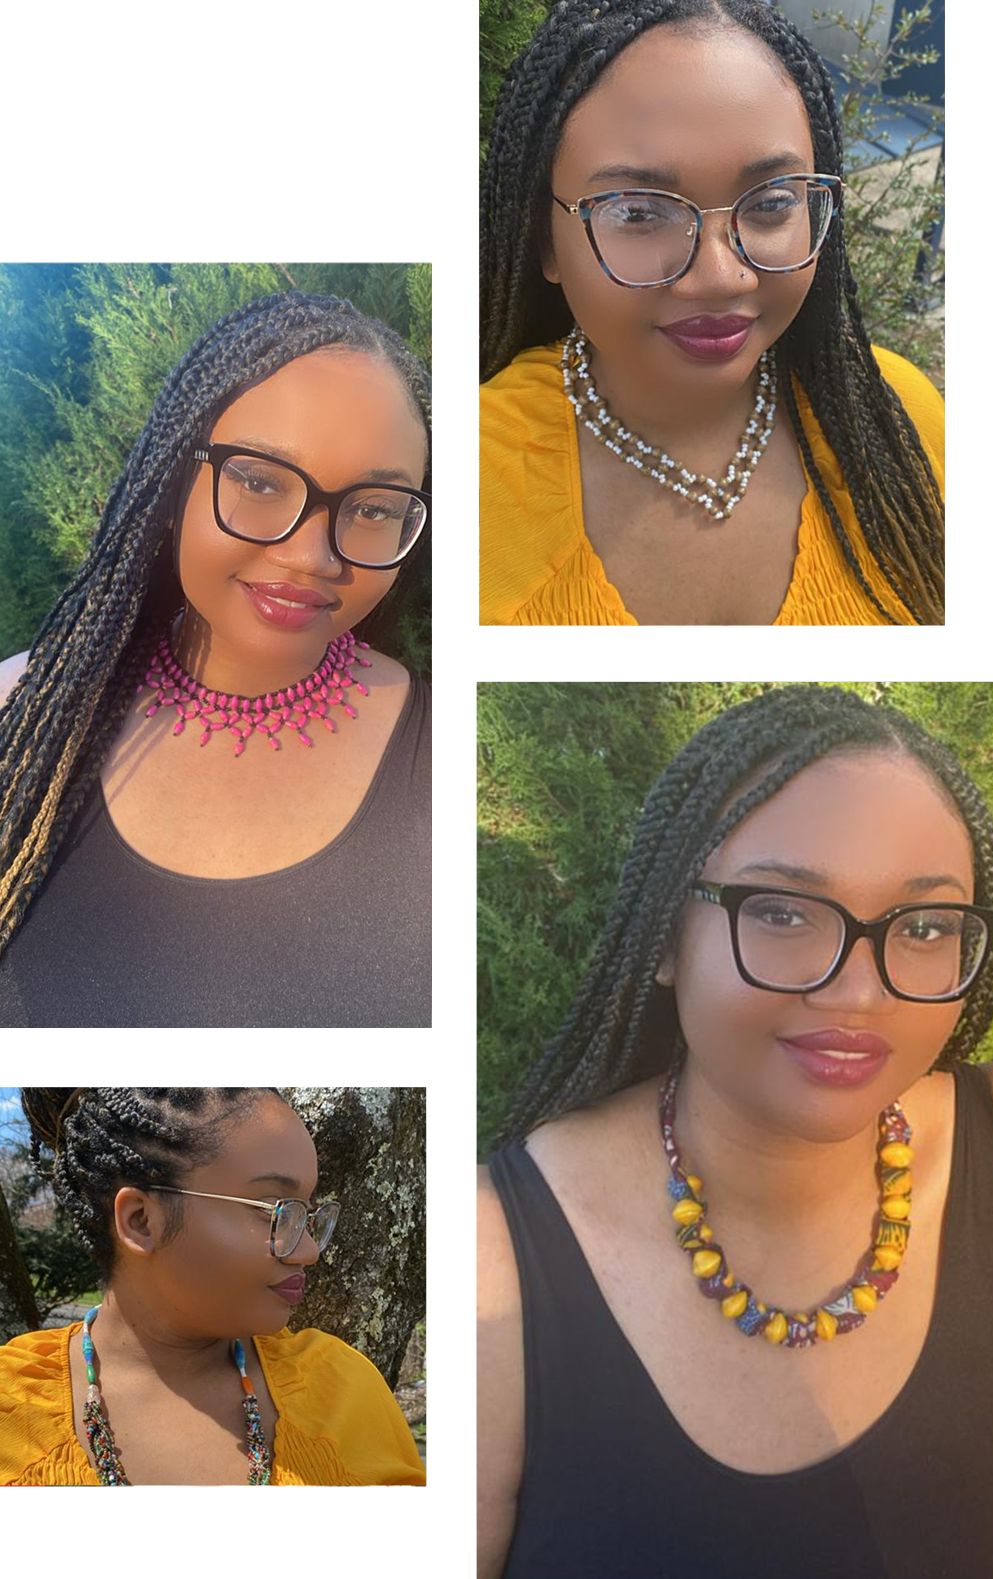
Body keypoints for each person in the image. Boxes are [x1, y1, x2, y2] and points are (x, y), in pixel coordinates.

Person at [476, 685, 993, 1576]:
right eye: (782, 911)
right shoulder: (491, 1265)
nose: (859, 991)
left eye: (922, 926)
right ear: (663, 936)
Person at [0, 290, 432, 1027]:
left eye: (372, 507)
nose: (311, 555)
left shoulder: (445, 750)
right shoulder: (18, 717)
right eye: (260, 481)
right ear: (174, 486)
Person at [479, 0, 945, 627]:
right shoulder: (475, 475)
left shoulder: (898, 418)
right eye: (641, 213)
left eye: (773, 203)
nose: (722, 277)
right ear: (545, 240)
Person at [0, 1087, 426, 1487]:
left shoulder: (342, 1392)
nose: (310, 1250)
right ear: (140, 1221)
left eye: (308, 1214)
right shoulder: (12, 1407)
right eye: (276, 1209)